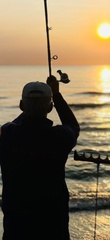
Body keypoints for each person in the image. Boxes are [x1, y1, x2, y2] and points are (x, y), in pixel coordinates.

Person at [0, 76, 80, 240]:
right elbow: (73, 126)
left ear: (21, 105)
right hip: (53, 223)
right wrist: (56, 95)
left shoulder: (7, 134)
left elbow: (13, 126)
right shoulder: (60, 136)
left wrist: (29, 112)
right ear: (50, 107)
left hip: (16, 225)